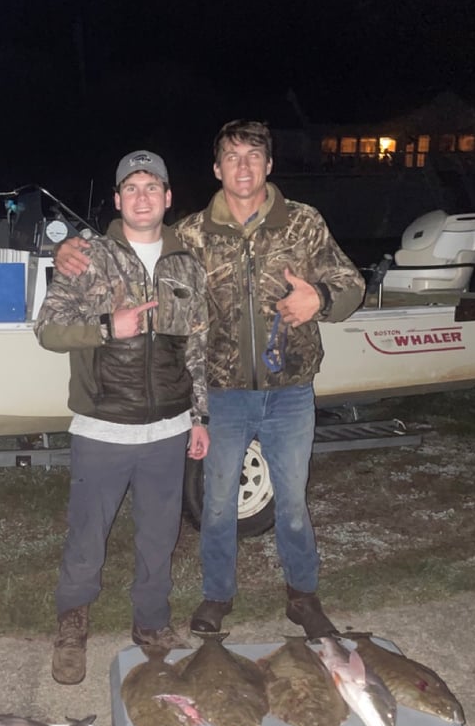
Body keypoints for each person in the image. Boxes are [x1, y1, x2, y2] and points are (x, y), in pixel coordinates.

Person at [55, 121, 366, 639]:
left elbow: (351, 282)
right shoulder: (192, 234)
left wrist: (323, 301)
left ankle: (303, 596)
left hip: (290, 391)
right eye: (232, 157)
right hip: (223, 395)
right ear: (216, 169)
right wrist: (69, 250)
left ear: (269, 165)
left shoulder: (305, 223)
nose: (243, 167)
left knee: (291, 502)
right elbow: (137, 250)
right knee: (217, 505)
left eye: (254, 156)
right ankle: (217, 596)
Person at [34, 150, 210, 684]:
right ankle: (72, 626)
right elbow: (48, 329)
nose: (141, 196)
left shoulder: (188, 263)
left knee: (160, 535)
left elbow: (197, 345)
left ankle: (152, 624)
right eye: (131, 187)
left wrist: (199, 417)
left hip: (169, 427)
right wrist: (109, 327)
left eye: (151, 187)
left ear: (168, 197)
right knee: (88, 535)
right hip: (103, 425)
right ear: (117, 200)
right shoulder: (87, 256)